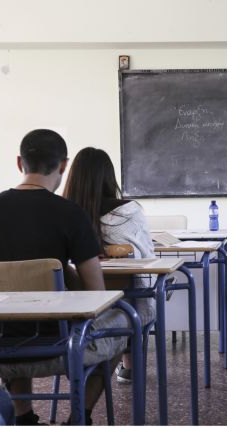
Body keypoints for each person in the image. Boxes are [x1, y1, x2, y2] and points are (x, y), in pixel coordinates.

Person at [0, 129, 129, 425]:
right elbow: (96, 294)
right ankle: (79, 418)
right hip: (59, 347)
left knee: (14, 315)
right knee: (126, 321)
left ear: (19, 163)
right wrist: (68, 276)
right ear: (63, 165)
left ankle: (23, 417)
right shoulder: (70, 214)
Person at [63, 147, 155, 384]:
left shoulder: (63, 214)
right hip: (123, 303)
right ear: (109, 177)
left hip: (71, 310)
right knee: (133, 295)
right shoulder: (128, 212)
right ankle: (129, 365)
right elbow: (147, 258)